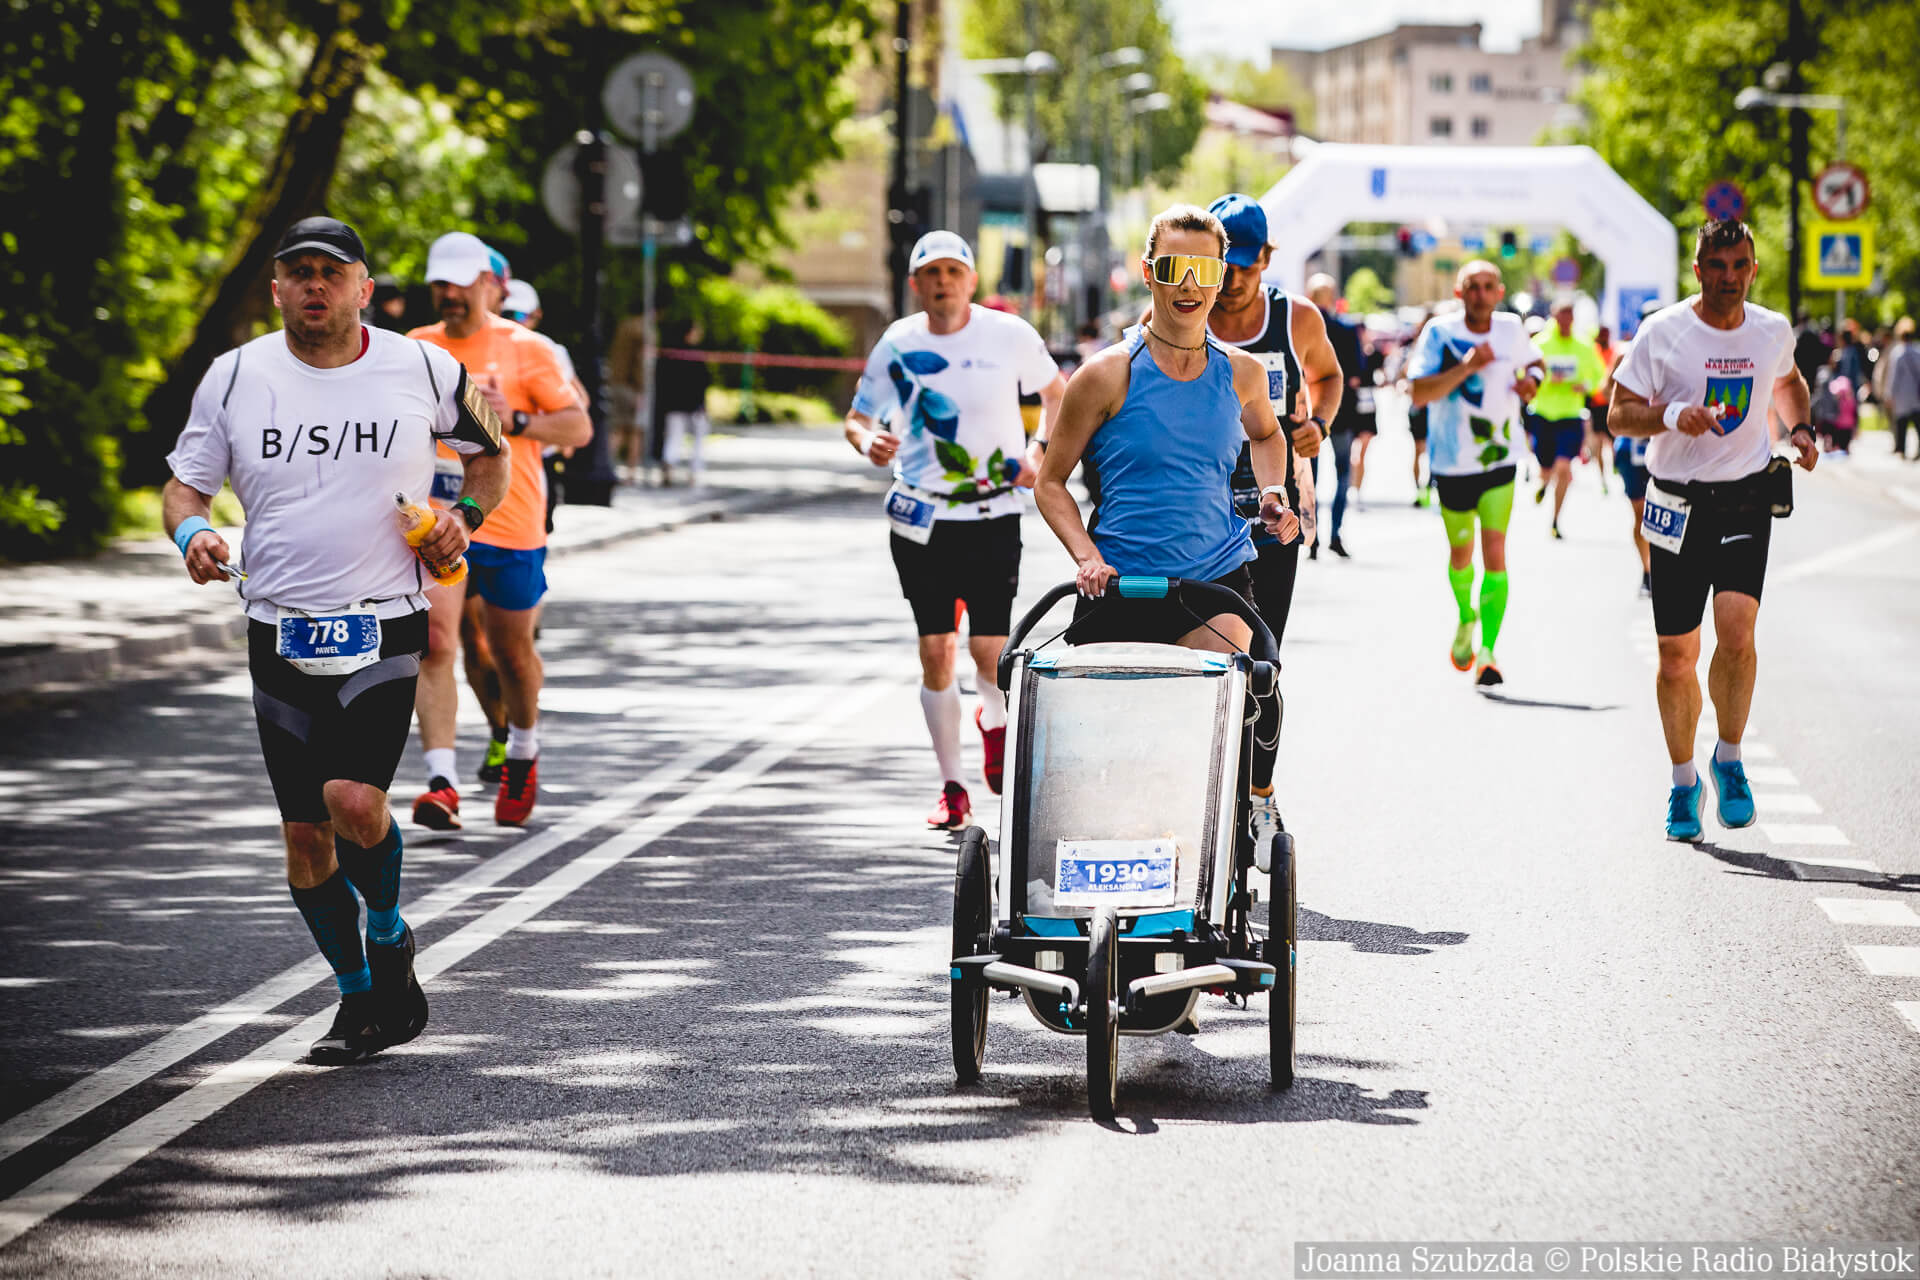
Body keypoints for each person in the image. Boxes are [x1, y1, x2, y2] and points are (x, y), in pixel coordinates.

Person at [162, 216, 509, 1063]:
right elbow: (183, 488)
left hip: (383, 617)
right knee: (305, 837)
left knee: (354, 801)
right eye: (299, 271)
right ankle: (357, 999)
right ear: (277, 288)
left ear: (363, 287)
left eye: (331, 270)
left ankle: (387, 933)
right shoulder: (235, 375)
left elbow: (490, 454)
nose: (315, 284)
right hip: (278, 626)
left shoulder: (422, 367)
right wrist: (194, 533)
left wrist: (463, 517)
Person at [1034, 203, 1300, 867]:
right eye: (1175, 267)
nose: (1189, 284)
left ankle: (1244, 811)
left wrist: (1273, 492)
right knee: (1110, 752)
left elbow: (1269, 435)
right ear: (1149, 272)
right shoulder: (1107, 374)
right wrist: (1086, 557)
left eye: (1204, 270)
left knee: (1234, 689)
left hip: (1215, 580)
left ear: (1221, 278)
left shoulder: (1241, 373)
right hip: (1119, 585)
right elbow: (1050, 483)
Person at [845, 229, 1066, 830]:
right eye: (931, 273)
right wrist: (869, 442)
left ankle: (993, 718)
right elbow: (857, 418)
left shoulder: (1007, 335)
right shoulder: (898, 343)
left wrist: (1039, 451)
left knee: (990, 653)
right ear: (915, 284)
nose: (943, 282)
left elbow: (1058, 394)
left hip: (992, 513)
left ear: (971, 280)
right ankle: (952, 786)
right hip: (922, 517)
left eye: (953, 271)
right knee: (936, 649)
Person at [1609, 218, 1816, 841]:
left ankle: (1729, 758)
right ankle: (1683, 782)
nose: (1730, 277)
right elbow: (1618, 415)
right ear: (1698, 270)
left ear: (1753, 269)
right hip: (1676, 503)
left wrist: (1801, 428)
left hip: (1746, 498)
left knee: (1737, 628)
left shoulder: (1771, 329)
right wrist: (1673, 415)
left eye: (1740, 265)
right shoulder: (1663, 332)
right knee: (1677, 657)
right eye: (1718, 266)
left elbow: (1788, 381)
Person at [408, 231, 591, 828]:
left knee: (511, 654)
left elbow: (578, 428)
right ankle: (442, 782)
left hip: (512, 523)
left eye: (461, 283)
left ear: (489, 284)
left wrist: (514, 418)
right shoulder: (414, 348)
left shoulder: (527, 348)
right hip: (438, 521)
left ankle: (522, 749)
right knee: (437, 642)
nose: (449, 294)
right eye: (440, 284)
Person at [1178, 192, 1338, 651]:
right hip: (1199, 517)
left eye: (1246, 267)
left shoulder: (1296, 318)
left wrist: (1320, 424)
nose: (1232, 281)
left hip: (1274, 514)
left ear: (1266, 258)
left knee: (1263, 658)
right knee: (1205, 660)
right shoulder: (1178, 317)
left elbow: (1328, 375)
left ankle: (1263, 698)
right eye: (1223, 267)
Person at [1406, 261, 1546, 687]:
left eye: (1488, 287)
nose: (1481, 294)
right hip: (1452, 463)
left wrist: (1532, 383)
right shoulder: (1439, 333)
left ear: (1499, 292)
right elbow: (1419, 392)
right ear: (1459, 292)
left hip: (1500, 459)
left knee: (1496, 552)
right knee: (1462, 556)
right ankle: (1467, 615)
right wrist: (1467, 367)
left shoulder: (1510, 328)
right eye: (1472, 287)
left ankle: (1488, 651)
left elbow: (1535, 364)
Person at [501, 278, 587, 531]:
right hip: (494, 460)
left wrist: (560, 441)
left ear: (536, 315)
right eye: (507, 314)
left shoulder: (548, 349)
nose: (514, 322)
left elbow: (580, 399)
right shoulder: (484, 346)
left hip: (537, 460)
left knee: (536, 530)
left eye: (520, 315)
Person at [1530, 297, 1607, 538]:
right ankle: (1544, 483)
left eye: (1569, 316)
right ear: (1554, 317)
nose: (1565, 321)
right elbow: (1524, 373)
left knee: (1564, 468)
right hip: (1543, 413)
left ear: (1573, 318)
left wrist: (1585, 386)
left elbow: (1599, 376)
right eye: (1560, 316)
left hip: (1571, 415)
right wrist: (1545, 379)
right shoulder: (1539, 343)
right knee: (1546, 469)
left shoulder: (1584, 345)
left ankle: (1555, 520)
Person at [1305, 273, 1362, 558]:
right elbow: (1357, 374)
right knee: (1342, 475)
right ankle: (1336, 534)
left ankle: (1312, 538)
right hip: (1341, 410)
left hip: (1309, 412)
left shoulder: (1302, 329)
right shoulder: (1346, 330)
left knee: (1310, 480)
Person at [654, 318, 714, 487]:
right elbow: (704, 381)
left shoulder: (669, 353)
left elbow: (661, 381)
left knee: (674, 437)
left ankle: (669, 462)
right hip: (694, 406)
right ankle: (694, 472)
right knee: (698, 440)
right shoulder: (695, 355)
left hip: (673, 405)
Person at [1884, 317, 1920, 461]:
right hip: (1915, 395)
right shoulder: (1917, 351)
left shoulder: (1897, 353)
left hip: (1901, 395)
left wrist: (1889, 394)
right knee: (1917, 423)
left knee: (1901, 424)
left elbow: (1893, 376)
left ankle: (1901, 449)